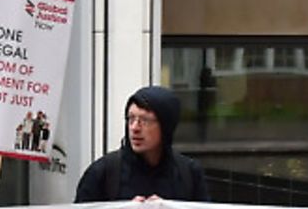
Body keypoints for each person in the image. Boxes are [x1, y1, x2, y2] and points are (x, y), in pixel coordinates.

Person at [74, 85, 210, 202]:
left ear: (165, 125)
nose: (135, 128)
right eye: (131, 118)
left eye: (145, 120)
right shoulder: (103, 173)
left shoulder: (188, 174)